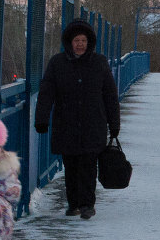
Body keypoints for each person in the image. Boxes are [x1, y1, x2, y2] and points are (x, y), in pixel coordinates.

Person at [34, 19, 120, 220]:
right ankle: (73, 204)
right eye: (76, 40)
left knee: (89, 166)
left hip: (93, 124)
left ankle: (87, 205)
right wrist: (42, 119)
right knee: (71, 166)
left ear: (89, 42)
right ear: (69, 43)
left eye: (83, 40)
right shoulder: (57, 63)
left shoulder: (99, 63)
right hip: (67, 125)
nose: (80, 44)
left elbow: (110, 95)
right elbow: (47, 93)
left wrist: (114, 124)